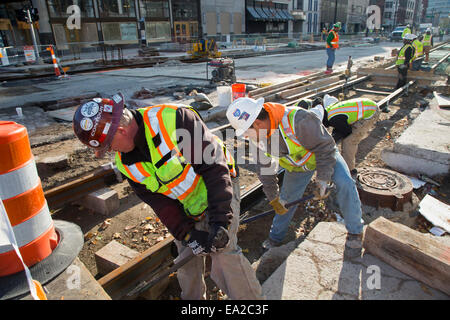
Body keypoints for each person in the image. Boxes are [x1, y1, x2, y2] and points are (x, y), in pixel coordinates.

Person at [72, 93, 264, 300]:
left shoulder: (174, 120)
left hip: (218, 190)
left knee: (223, 256)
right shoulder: (125, 164)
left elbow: (214, 170)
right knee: (186, 258)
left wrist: (219, 222)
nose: (110, 151)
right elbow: (160, 203)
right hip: (186, 205)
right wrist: (188, 234)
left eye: (108, 146)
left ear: (120, 130)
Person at [226, 97, 365, 251]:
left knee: (345, 182)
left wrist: (323, 178)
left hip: (324, 155)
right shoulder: (258, 138)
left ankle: (355, 232)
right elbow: (265, 171)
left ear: (257, 123)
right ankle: (275, 238)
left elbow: (325, 147)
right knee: (286, 201)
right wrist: (273, 198)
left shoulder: (298, 120)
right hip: (297, 167)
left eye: (246, 132)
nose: (246, 137)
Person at [297, 95, 379, 176]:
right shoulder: (329, 111)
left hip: (371, 112)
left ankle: (349, 171)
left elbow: (347, 131)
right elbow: (339, 125)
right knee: (342, 137)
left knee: (349, 141)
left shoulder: (333, 119)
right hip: (367, 105)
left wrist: (332, 140)